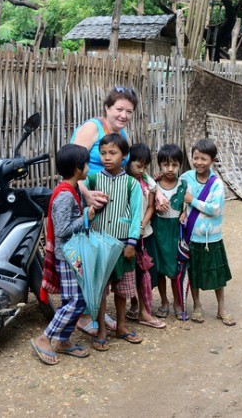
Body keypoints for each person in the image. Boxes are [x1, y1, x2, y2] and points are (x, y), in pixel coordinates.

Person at [31, 144, 94, 365]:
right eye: (86, 163)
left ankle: (64, 340)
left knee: (76, 300)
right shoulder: (65, 196)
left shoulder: (70, 189)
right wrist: (86, 216)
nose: (88, 167)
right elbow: (62, 230)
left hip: (71, 255)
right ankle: (45, 338)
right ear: (78, 168)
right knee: (75, 301)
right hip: (66, 256)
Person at [84, 133, 144, 348]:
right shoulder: (91, 180)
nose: (107, 157)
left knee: (123, 289)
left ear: (125, 156)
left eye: (112, 153)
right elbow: (81, 208)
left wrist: (132, 243)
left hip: (122, 245)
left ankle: (121, 325)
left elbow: (137, 214)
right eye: (103, 153)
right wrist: (88, 210)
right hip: (98, 244)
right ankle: (100, 328)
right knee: (100, 290)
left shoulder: (131, 184)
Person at [181, 139, 235, 327]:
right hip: (192, 236)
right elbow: (179, 197)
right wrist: (182, 209)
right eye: (195, 158)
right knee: (194, 273)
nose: (199, 162)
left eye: (203, 159)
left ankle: (221, 308)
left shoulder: (217, 184)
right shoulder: (186, 177)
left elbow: (215, 209)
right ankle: (196, 305)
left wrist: (192, 200)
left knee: (217, 274)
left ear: (212, 160)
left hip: (211, 238)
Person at [124, 143, 165, 329]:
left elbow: (150, 207)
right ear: (128, 162)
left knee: (143, 272)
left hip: (144, 234)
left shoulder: (148, 183)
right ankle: (134, 304)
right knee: (129, 272)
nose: (142, 170)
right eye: (138, 165)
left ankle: (143, 310)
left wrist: (142, 224)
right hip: (126, 235)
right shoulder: (122, 181)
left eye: (145, 166)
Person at [151, 144, 187, 319]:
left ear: (180, 164)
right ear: (159, 165)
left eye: (174, 164)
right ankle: (164, 301)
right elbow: (148, 205)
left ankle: (177, 302)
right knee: (159, 270)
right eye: (166, 164)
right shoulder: (154, 184)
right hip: (158, 232)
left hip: (175, 233)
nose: (170, 169)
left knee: (175, 271)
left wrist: (185, 213)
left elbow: (187, 205)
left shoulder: (184, 185)